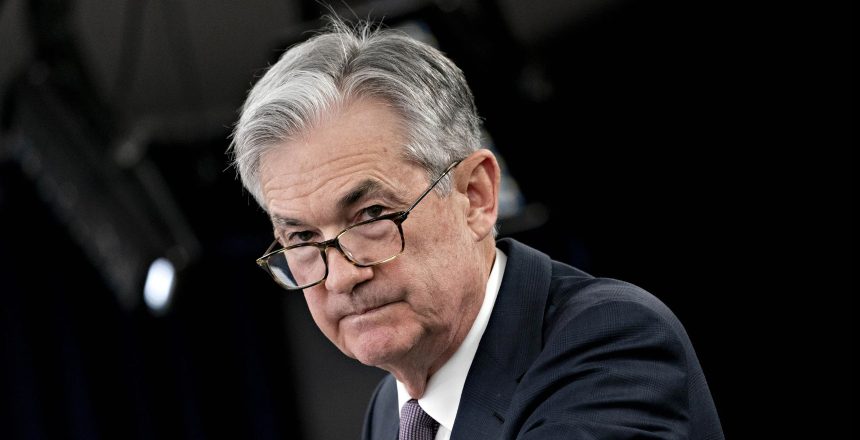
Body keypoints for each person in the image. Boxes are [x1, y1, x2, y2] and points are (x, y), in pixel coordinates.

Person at [229, 17, 724, 440]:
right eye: (301, 238)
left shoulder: (608, 343)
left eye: (372, 215)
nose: (340, 278)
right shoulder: (389, 412)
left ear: (475, 196)